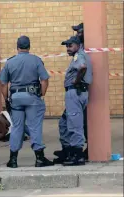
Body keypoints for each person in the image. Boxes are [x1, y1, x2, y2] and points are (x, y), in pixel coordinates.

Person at [0, 35, 54, 168]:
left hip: (16, 98)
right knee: (34, 127)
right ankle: (39, 159)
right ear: (29, 47)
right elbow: (44, 80)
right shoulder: (36, 60)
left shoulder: (10, 62)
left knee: (17, 127)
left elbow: (3, 84)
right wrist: (42, 94)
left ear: (17, 47)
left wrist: (6, 99)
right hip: (32, 97)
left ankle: (13, 160)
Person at [54, 36, 92, 166]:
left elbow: (82, 67)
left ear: (78, 45)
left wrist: (76, 81)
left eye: (70, 46)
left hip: (75, 92)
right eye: (66, 46)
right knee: (64, 123)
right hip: (74, 93)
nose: (67, 48)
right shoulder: (78, 55)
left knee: (74, 124)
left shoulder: (79, 56)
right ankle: (68, 151)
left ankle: (78, 155)